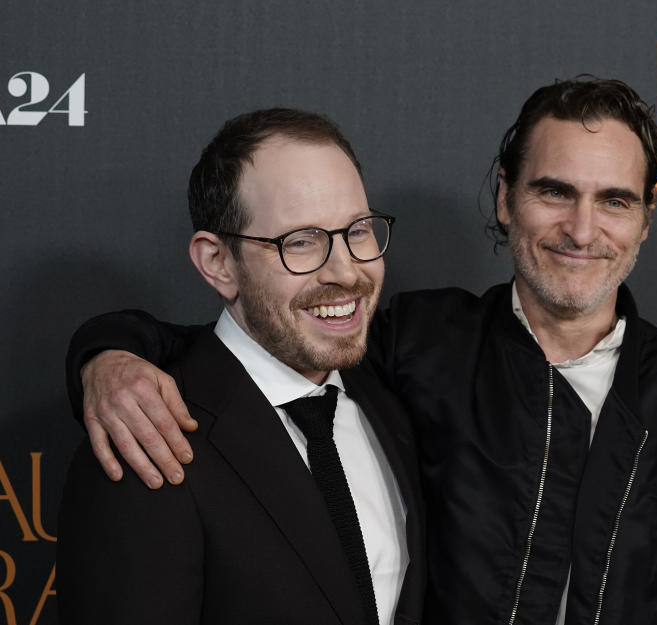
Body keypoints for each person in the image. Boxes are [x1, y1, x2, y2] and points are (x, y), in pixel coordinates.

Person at [66, 78, 657, 624]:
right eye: (555, 191)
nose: (583, 230)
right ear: (505, 197)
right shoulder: (416, 350)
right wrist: (107, 356)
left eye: (615, 201)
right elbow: (259, 347)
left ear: (646, 221)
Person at [57, 109, 425, 625]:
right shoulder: (147, 437)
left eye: (358, 231)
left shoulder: (394, 399)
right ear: (218, 263)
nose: (346, 271)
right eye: (300, 242)